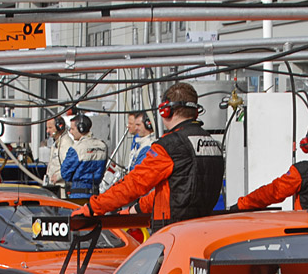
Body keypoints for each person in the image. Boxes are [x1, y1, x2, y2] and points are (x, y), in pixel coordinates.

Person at [72, 83, 224, 224]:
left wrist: (93, 207)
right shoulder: (212, 144)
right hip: (203, 229)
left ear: (166, 110)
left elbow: (134, 184)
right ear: (196, 111)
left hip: (173, 231)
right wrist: (136, 210)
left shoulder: (170, 146)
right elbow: (171, 192)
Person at [99, 111, 156, 193]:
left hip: (142, 192)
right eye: (135, 125)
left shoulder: (149, 146)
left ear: (148, 125)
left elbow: (137, 172)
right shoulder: (139, 142)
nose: (136, 128)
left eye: (138, 125)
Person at [59, 114, 108, 198]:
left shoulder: (76, 149)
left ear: (81, 128)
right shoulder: (102, 146)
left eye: (72, 129)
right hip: (96, 194)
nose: (70, 132)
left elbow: (65, 173)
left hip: (78, 194)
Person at [42, 116, 73, 191]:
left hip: (62, 188)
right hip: (54, 186)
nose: (47, 131)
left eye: (50, 127)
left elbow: (70, 166)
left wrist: (58, 176)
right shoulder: (56, 143)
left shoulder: (66, 144)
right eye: (47, 128)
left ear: (59, 127)